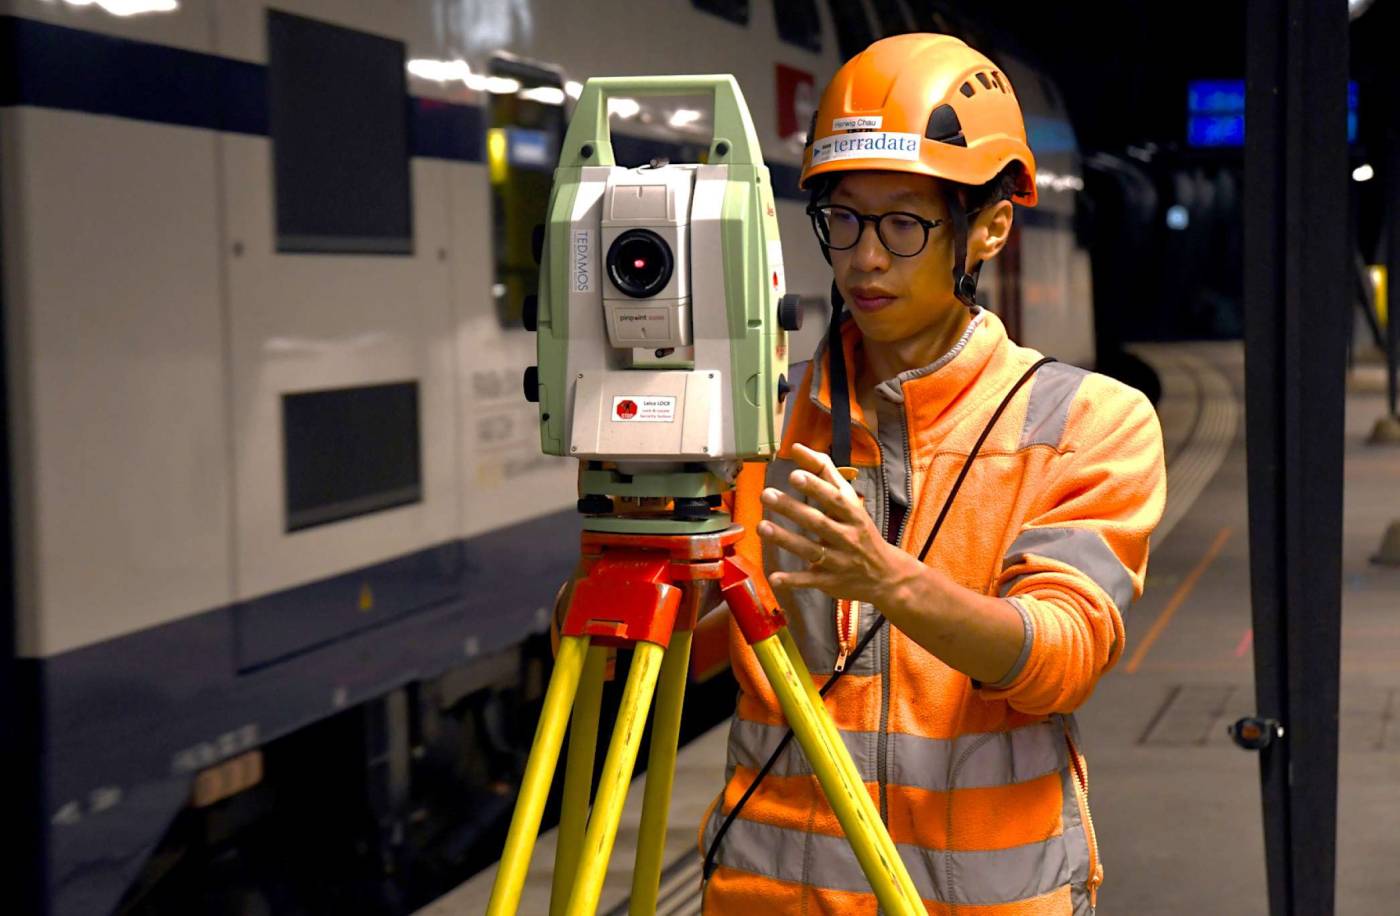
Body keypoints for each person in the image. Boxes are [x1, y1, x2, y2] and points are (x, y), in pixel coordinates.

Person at [700, 33, 1167, 914]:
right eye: (842, 218)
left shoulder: (1086, 424)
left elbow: (1059, 659)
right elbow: (659, 665)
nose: (863, 258)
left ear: (988, 228)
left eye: (903, 224)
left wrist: (888, 582)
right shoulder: (757, 423)